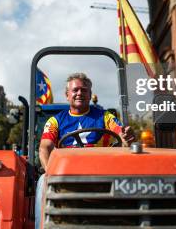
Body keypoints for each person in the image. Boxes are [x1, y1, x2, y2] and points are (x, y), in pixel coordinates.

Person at [36, 73, 135, 227]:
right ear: (67, 95)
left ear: (90, 94)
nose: (79, 93)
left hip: (102, 173)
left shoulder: (105, 117)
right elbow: (45, 147)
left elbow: (119, 130)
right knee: (42, 182)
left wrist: (125, 135)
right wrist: (50, 173)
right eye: (75, 90)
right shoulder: (55, 121)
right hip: (66, 176)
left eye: (84, 90)